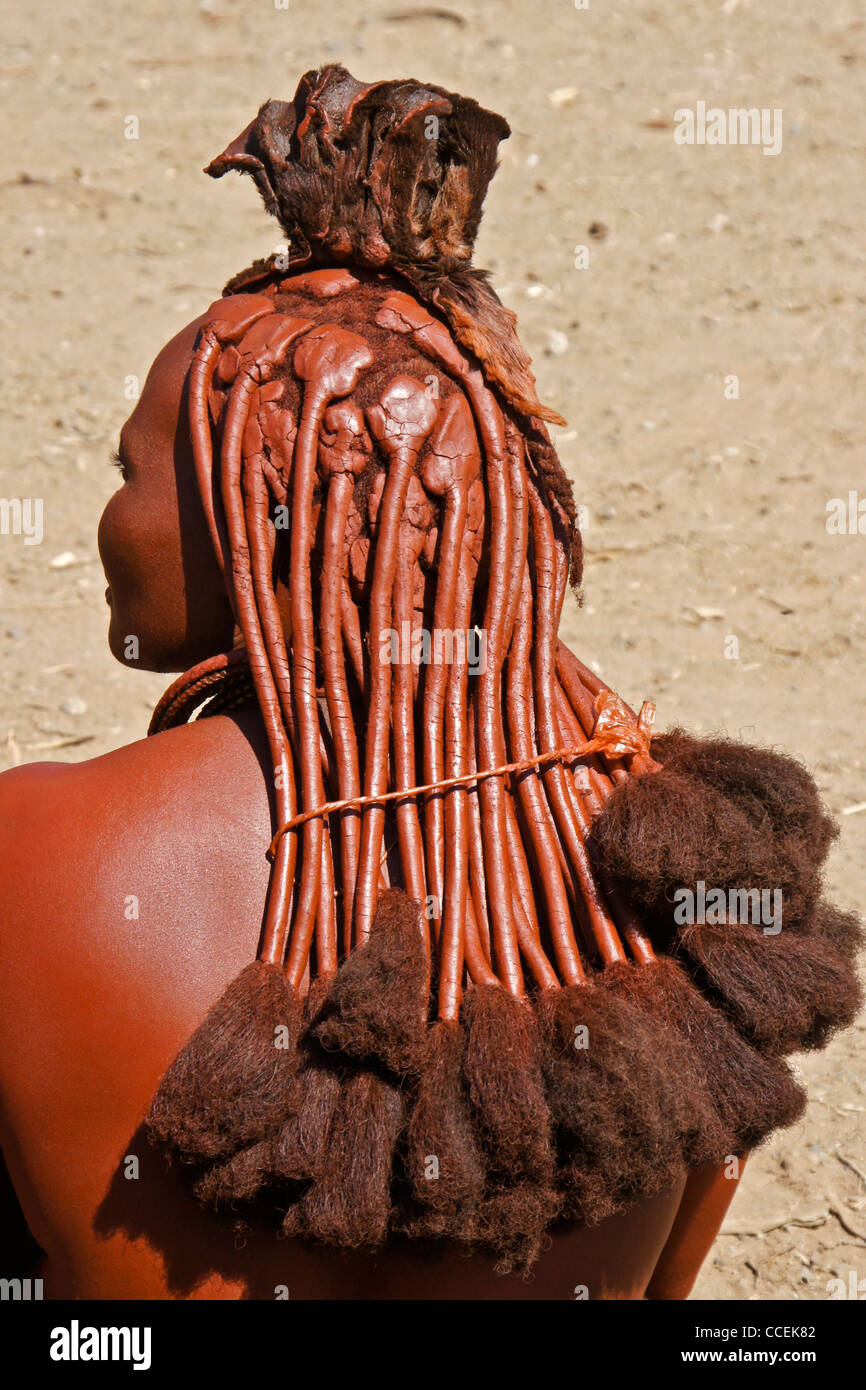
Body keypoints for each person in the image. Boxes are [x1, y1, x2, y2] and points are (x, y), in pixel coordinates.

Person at [0, 65, 859, 1301]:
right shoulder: (681, 895)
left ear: (262, 516)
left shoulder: (38, 849)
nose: (108, 512)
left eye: (130, 466)